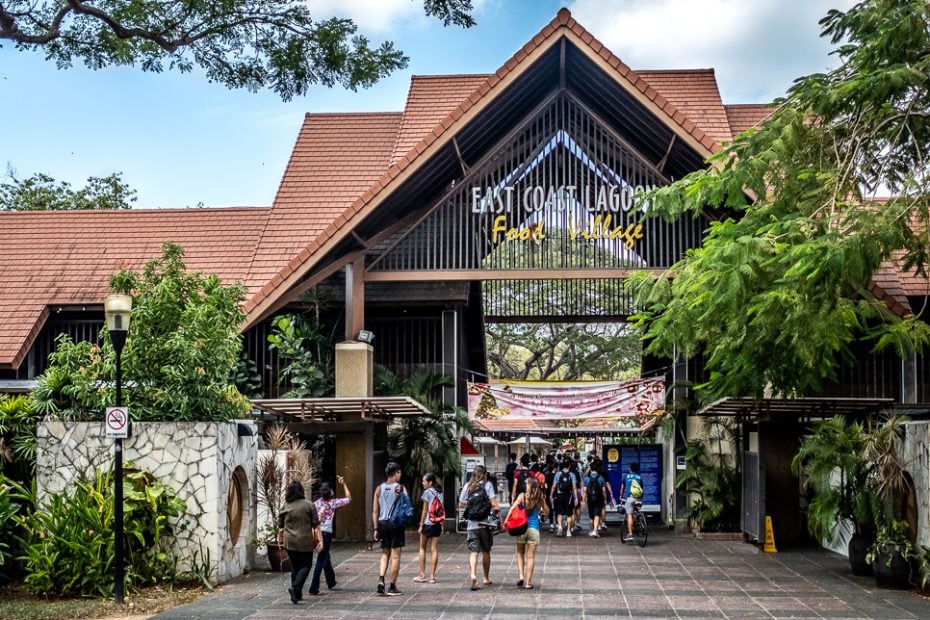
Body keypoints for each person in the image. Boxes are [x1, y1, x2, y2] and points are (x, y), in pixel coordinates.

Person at [277, 481, 323, 605]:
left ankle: (297, 595)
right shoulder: (309, 505)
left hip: (290, 542)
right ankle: (296, 588)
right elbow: (315, 524)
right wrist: (320, 540)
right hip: (305, 541)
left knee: (295, 566)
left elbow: (280, 524)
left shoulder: (285, 506)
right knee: (306, 565)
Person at [458, 464, 500, 591]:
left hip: (472, 524)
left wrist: (470, 506)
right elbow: (494, 505)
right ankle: (486, 578)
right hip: (485, 524)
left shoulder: (467, 486)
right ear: (485, 474)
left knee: (473, 552)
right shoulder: (487, 485)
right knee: (486, 550)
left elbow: (460, 504)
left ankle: (473, 575)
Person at [309, 475, 351, 595]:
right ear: (331, 491)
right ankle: (313, 587)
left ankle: (331, 581)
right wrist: (343, 484)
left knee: (325, 557)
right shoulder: (333, 503)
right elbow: (348, 498)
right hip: (326, 533)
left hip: (317, 532)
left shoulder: (316, 504)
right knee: (321, 559)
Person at [506, 476, 548, 590]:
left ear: (529, 486)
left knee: (520, 553)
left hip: (521, 528)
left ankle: (521, 576)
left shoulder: (522, 496)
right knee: (531, 558)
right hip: (534, 530)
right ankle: (528, 583)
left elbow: (511, 509)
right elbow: (547, 511)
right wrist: (543, 510)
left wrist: (505, 522)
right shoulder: (540, 497)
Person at [373, 461, 408, 596]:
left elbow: (375, 511)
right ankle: (392, 586)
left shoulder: (379, 489)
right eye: (399, 473)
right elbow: (407, 506)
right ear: (396, 473)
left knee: (384, 553)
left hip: (382, 523)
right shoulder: (400, 488)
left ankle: (381, 578)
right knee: (395, 556)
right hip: (396, 524)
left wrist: (376, 529)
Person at [415, 471, 443, 583]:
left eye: (424, 481)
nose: (422, 483)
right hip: (437, 524)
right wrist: (442, 524)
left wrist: (421, 524)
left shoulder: (427, 492)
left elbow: (424, 510)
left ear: (430, 482)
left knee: (422, 548)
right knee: (434, 550)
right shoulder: (440, 492)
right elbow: (441, 509)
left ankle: (422, 575)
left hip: (427, 523)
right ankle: (432, 576)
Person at [550, 460, 577, 537]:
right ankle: (568, 530)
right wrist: (576, 498)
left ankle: (560, 526)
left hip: (559, 495)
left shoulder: (558, 474)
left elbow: (554, 486)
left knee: (559, 512)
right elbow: (574, 487)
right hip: (569, 496)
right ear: (569, 466)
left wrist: (551, 495)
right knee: (569, 514)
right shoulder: (572, 475)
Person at [619, 462, 644, 542]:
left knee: (629, 514)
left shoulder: (626, 477)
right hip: (638, 498)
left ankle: (630, 534)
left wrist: (621, 496)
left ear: (630, 469)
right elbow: (641, 489)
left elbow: (622, 488)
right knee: (637, 510)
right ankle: (639, 521)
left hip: (630, 497)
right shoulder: (639, 477)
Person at [583, 464, 607, 537]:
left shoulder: (586, 478)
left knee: (591, 516)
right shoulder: (601, 478)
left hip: (590, 499)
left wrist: (584, 500)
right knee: (597, 514)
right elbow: (604, 491)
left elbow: (584, 491)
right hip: (599, 499)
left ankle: (591, 530)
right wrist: (605, 499)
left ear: (590, 469)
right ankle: (595, 531)